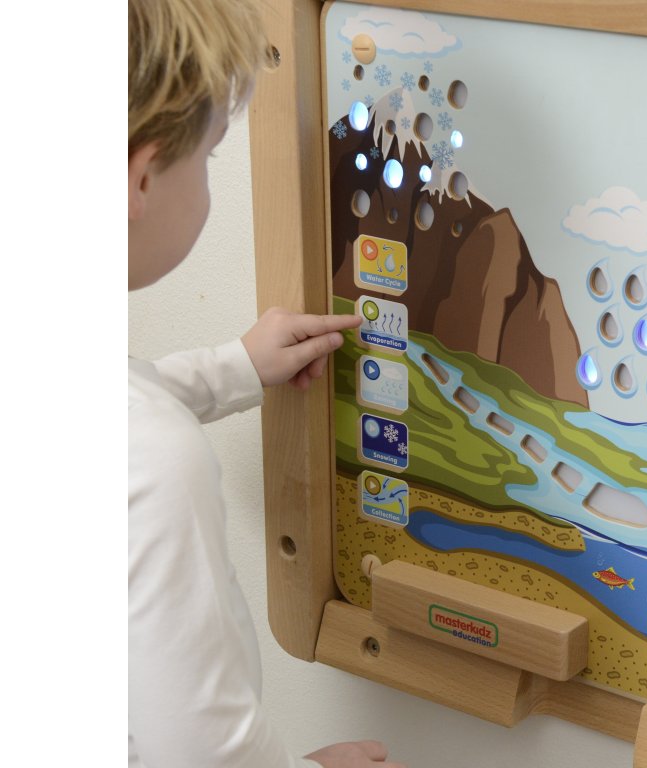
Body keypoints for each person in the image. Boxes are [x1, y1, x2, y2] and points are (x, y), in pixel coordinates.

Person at [128, 2, 403, 766]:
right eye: (211, 154)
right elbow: (200, 750)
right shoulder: (151, 461)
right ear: (140, 178)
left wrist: (235, 367)